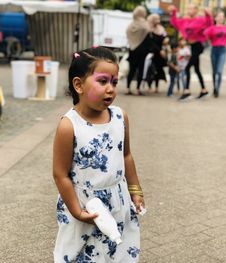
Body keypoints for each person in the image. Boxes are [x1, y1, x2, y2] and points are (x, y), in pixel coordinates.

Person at [52, 47, 145, 262]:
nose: (110, 89)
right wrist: (76, 211)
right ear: (79, 85)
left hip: (118, 202)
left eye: (114, 82)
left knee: (118, 253)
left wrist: (135, 190)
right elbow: (60, 174)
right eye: (102, 81)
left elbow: (127, 155)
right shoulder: (69, 126)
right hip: (85, 206)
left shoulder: (120, 117)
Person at [168, 4, 213, 101]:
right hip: (191, 46)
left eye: (191, 8)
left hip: (198, 45)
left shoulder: (200, 20)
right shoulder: (185, 21)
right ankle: (204, 91)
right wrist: (174, 12)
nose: (189, 10)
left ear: (196, 10)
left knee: (187, 67)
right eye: (188, 8)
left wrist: (208, 15)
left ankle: (187, 92)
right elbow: (174, 22)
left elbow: (209, 25)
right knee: (196, 69)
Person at [126, 6, 151, 95]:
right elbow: (148, 37)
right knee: (140, 70)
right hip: (142, 51)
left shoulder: (131, 25)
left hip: (132, 50)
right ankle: (138, 89)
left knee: (131, 70)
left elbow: (128, 36)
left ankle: (128, 88)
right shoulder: (145, 24)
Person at [146, 13, 167, 93]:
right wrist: (159, 50)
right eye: (155, 19)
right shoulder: (149, 30)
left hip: (159, 54)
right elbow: (151, 43)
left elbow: (164, 37)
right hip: (151, 53)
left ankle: (156, 87)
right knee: (150, 70)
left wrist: (166, 40)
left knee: (158, 70)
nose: (157, 21)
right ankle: (149, 85)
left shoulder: (161, 29)